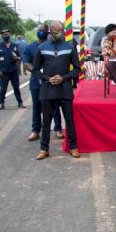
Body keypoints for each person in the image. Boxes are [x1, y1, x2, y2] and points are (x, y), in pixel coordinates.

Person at [32, 20, 81, 160]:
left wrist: (64, 78)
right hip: (47, 90)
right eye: (56, 30)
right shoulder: (41, 48)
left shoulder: (69, 47)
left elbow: (77, 69)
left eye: (61, 30)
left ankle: (73, 147)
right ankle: (44, 149)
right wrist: (47, 78)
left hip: (64, 88)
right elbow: (35, 70)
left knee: (69, 120)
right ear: (50, 31)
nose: (59, 33)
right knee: (46, 121)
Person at [23, 24, 63, 141]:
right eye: (39, 30)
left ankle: (58, 128)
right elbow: (26, 63)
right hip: (36, 81)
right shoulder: (30, 47)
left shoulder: (53, 45)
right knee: (36, 106)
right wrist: (38, 71)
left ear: (48, 32)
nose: (41, 32)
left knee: (55, 105)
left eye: (43, 31)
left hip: (51, 81)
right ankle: (36, 130)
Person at [0, 29, 25, 110]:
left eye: (7, 34)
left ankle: (20, 102)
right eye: (4, 34)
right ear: (2, 36)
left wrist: (17, 58)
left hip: (14, 71)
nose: (6, 35)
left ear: (10, 35)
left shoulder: (14, 45)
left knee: (16, 88)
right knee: (3, 89)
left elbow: (20, 57)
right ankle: (1, 103)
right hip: (3, 72)